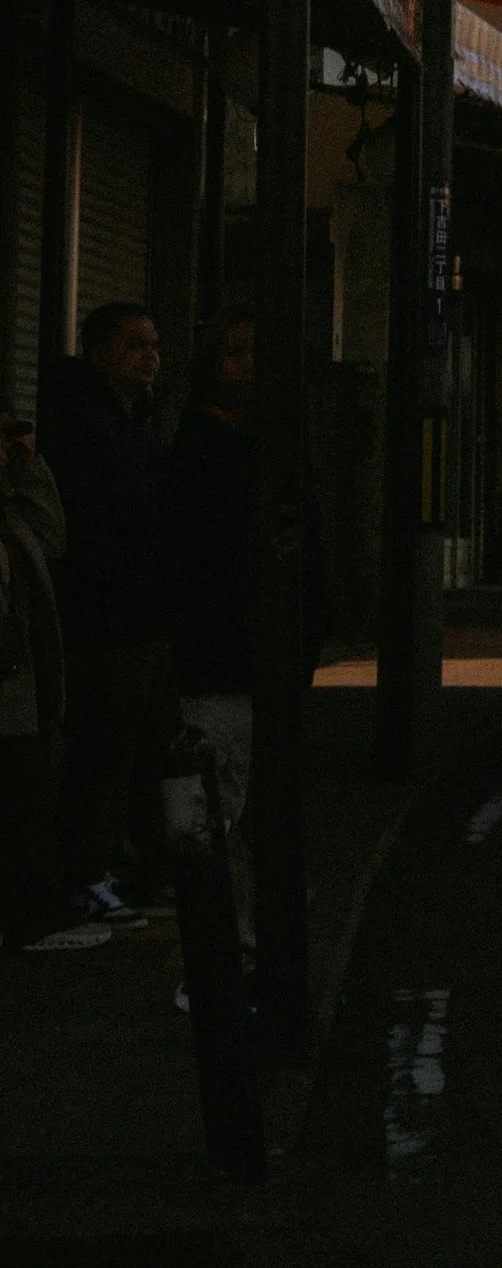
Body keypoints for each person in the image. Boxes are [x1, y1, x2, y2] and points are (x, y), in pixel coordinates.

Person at [161, 307, 319, 981]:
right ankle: (219, 960)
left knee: (235, 811)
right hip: (219, 662)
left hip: (255, 665)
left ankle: (236, 950)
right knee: (214, 813)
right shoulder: (201, 451)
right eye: (234, 353)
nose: (248, 366)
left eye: (257, 353)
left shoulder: (264, 446)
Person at [47, 300, 174, 923]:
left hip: (139, 617)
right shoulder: (87, 427)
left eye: (154, 343)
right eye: (134, 344)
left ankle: (116, 866)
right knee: (103, 749)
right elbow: (96, 529)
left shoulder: (136, 422)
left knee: (132, 750)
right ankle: (87, 873)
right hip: (106, 621)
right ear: (101, 355)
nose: (150, 354)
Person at [0, 401, 70, 946]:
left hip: (22, 676)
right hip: (12, 678)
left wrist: (30, 465)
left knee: (26, 787)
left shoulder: (10, 511)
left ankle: (30, 910)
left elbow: (52, 536)